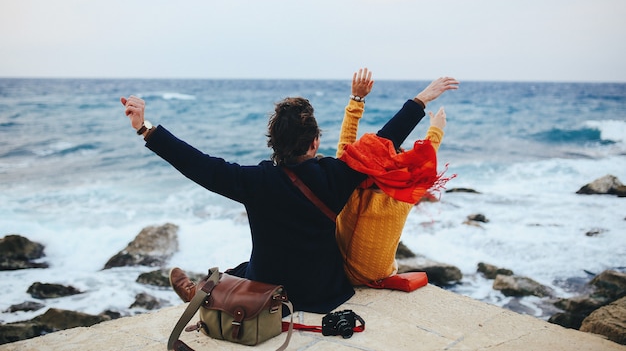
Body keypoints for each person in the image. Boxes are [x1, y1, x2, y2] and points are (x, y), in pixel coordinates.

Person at [120, 77, 433, 314]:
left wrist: (145, 128)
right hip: (323, 294)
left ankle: (199, 292)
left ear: (274, 144)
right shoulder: (336, 175)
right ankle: (204, 287)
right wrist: (420, 100)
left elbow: (199, 165)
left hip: (269, 290)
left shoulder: (254, 181)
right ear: (314, 143)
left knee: (242, 270)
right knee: (244, 267)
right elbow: (383, 141)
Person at [335, 69, 458, 286]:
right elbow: (422, 166)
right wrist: (437, 129)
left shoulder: (349, 189)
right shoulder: (402, 200)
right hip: (381, 275)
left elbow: (346, 144)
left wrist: (357, 99)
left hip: (340, 271)